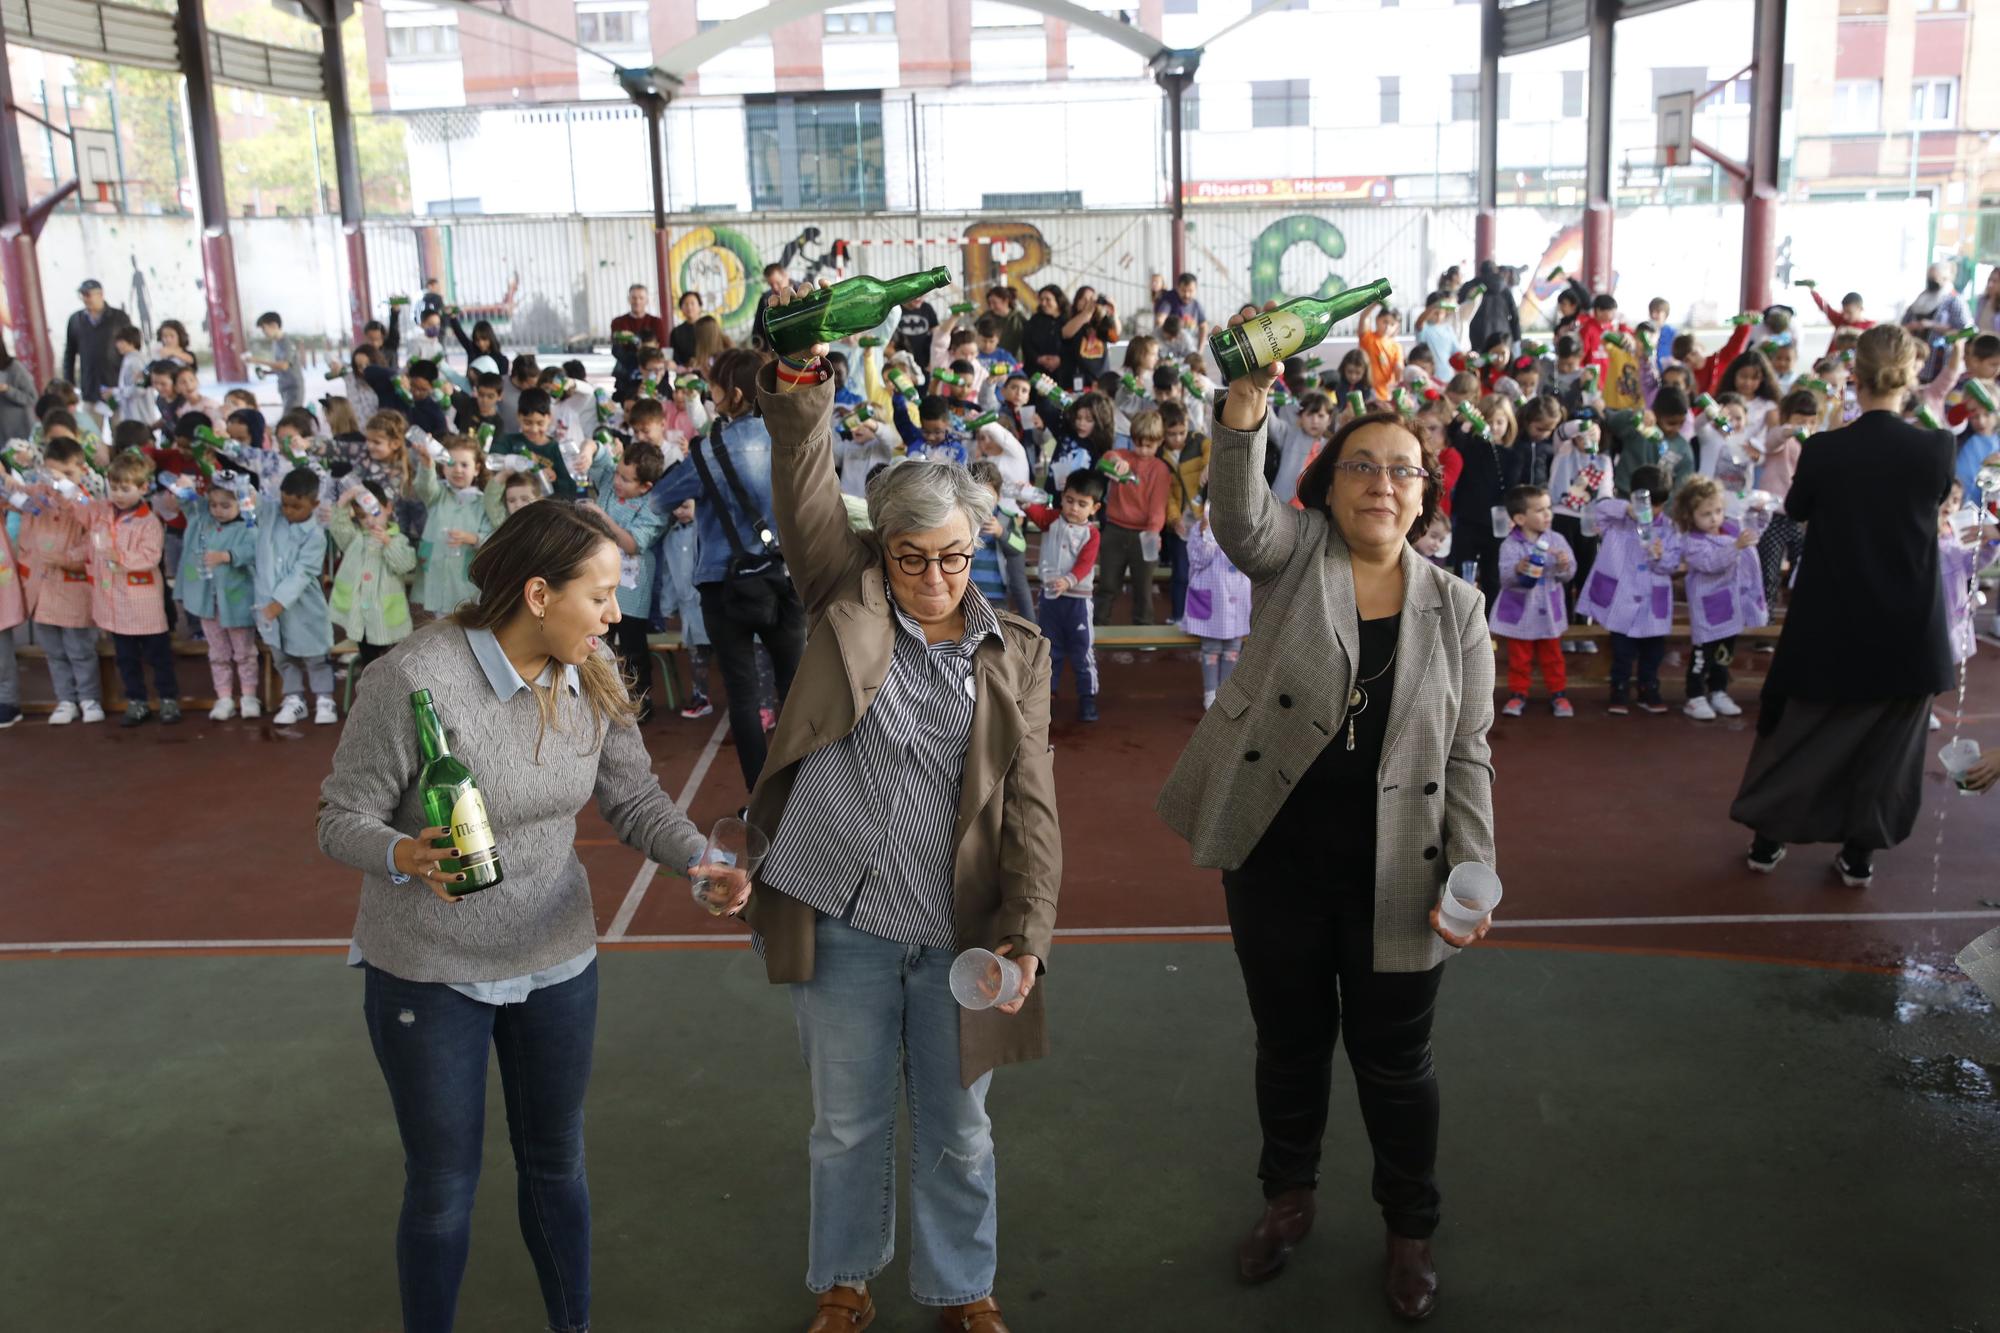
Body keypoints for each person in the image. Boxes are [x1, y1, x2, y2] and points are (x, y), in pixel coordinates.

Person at [1155, 305, 1496, 1323]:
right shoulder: (1293, 553)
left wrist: (1475, 869)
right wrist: (1245, 404)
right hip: (1275, 857)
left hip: (1401, 867)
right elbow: (1235, 515)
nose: (1379, 482)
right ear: (1328, 483)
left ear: (1421, 492)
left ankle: (1408, 1228)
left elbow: (1468, 751)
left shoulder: (1458, 610)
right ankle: (1287, 1198)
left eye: (1398, 467)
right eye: (1359, 466)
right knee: (1288, 1042)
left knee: (1397, 1063)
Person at [317, 501, 729, 1333]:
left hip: (557, 957)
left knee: (555, 1162)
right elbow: (338, 817)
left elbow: (635, 795)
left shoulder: (594, 667)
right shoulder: (413, 679)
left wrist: (699, 859)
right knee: (441, 1185)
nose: (615, 614)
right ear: (539, 593)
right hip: (430, 972)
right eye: (601, 595)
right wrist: (407, 855)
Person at [742, 295, 1060, 1333]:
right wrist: (798, 392)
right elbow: (801, 491)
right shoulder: (844, 596)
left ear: (978, 546)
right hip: (840, 915)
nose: (933, 577)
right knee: (845, 1123)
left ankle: (960, 1285)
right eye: (913, 556)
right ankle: (844, 1275)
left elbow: (1032, 808)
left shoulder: (1016, 651)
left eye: (954, 555)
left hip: (958, 927)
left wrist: (1028, 934)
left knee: (959, 1127)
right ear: (882, 551)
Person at [1732, 324, 1957, 887]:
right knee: (1888, 749)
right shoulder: (1935, 447)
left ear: (1852, 376)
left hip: (1831, 615)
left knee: (1801, 732)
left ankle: (1768, 840)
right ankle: (1860, 854)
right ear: (1911, 376)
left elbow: (1799, 507)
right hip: (1907, 621)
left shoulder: (1827, 449)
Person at [644, 347, 807, 789]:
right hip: (784, 579)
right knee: (795, 688)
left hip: (723, 582)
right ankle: (806, 793)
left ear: (733, 395)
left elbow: (659, 499)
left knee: (742, 692)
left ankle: (761, 797)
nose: (710, 398)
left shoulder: (707, 451)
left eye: (712, 390)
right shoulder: (788, 435)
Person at [84, 451, 178, 725]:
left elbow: (151, 557)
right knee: (126, 660)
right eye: (114, 488)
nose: (118, 494)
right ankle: (136, 701)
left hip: (144, 604)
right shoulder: (102, 515)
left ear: (143, 488)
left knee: (159, 657)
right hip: (116, 606)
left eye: (126, 489)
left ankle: (168, 699)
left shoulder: (149, 521)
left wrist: (121, 558)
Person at [1577, 464, 1675, 715]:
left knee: (1653, 652)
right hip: (1622, 601)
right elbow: (1597, 510)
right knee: (1622, 651)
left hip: (1653, 602)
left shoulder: (1669, 528)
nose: (1652, 511)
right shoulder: (1618, 520)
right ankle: (1618, 689)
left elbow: (1673, 563)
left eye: (1658, 505)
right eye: (1646, 504)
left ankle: (1648, 688)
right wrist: (1628, 508)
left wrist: (1660, 557)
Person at [1671, 476, 1766, 721]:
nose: (1714, 518)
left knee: (1724, 654)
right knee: (1703, 653)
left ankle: (1719, 691)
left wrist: (1759, 512)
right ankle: (1694, 696)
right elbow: (1711, 563)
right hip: (1708, 607)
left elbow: (1756, 531)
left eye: (1718, 511)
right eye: (1706, 514)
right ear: (1689, 516)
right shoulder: (1692, 542)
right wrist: (1735, 547)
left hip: (1731, 605)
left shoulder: (1732, 528)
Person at [592, 438, 670, 724]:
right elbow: (597, 455)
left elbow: (633, 544)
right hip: (598, 585)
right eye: (617, 474)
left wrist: (602, 519)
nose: (617, 482)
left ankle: (641, 700)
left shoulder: (655, 507)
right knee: (598, 644)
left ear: (645, 486)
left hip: (631, 593)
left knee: (633, 648)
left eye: (626, 480)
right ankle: (600, 699)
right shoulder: (610, 482)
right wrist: (592, 447)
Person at [1022, 470, 1106, 723]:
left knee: (1082, 652)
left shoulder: (1092, 533)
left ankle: (1088, 697)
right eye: (1069, 500)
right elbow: (1033, 512)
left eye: (1082, 504)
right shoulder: (1052, 519)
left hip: (1077, 601)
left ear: (1095, 507)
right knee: (1050, 650)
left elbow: (1085, 564)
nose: (1073, 508)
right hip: (1051, 599)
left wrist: (1068, 580)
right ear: (1062, 497)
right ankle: (1049, 696)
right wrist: (1024, 495)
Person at [257, 467, 340, 727]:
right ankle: (294, 699)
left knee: (315, 654)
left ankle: (324, 698)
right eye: (284, 504)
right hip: (269, 605)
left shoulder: (316, 535)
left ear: (315, 504)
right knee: (282, 655)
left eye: (296, 506)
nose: (288, 511)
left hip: (302, 608)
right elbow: (252, 500)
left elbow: (302, 573)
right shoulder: (272, 516)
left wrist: (278, 604)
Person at [176, 481, 261, 720]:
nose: (218, 510)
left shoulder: (248, 527)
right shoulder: (203, 523)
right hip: (208, 603)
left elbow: (255, 549)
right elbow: (188, 504)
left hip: (237, 602)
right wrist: (183, 487)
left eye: (225, 505)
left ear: (240, 503)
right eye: (213, 504)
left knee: (244, 652)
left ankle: (249, 695)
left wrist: (228, 556)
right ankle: (224, 697)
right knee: (218, 651)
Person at [1492, 484, 1576, 718]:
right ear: (1520, 518)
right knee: (1519, 658)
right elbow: (1505, 579)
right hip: (1521, 612)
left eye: (1548, 508)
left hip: (1548, 611)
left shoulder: (1557, 539)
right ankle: (1518, 693)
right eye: (1539, 510)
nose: (1547, 514)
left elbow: (1569, 574)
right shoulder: (1510, 545)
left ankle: (1558, 693)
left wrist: (1563, 565)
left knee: (1553, 657)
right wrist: (1518, 568)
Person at [1178, 468, 1251, 712]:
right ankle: (1210, 692)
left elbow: (1249, 559)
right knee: (1210, 648)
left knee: (1232, 648)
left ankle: (1225, 691)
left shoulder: (1245, 527)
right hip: (1210, 598)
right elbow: (1197, 560)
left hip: (1236, 598)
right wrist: (1205, 533)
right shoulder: (1200, 528)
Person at [1093, 407, 1172, 626]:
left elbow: (1158, 506)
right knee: (1107, 583)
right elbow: (1107, 457)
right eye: (1139, 444)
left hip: (1145, 534)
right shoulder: (1124, 457)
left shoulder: (1160, 469)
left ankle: (1144, 627)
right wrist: (1117, 459)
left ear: (1159, 442)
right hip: (1115, 530)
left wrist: (1154, 531)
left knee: (1143, 587)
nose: (1143, 450)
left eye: (1150, 445)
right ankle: (1098, 625)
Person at [330, 480, 417, 671]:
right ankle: (371, 692)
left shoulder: (398, 539)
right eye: (362, 517)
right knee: (368, 663)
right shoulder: (356, 539)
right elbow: (338, 528)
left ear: (388, 508)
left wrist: (388, 542)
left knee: (392, 663)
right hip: (362, 620)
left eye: (374, 512)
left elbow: (405, 564)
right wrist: (343, 501)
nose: (369, 520)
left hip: (386, 618)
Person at [62, 279, 131, 411]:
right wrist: (69, 384)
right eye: (82, 295)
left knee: (120, 427)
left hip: (115, 386)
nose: (85, 299)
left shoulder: (119, 317)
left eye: (88, 295)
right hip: (90, 387)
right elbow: (69, 354)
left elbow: (131, 348)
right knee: (91, 429)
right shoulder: (76, 320)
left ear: (100, 294)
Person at [1903, 261, 1970, 383]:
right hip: (1914, 359)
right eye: (1929, 277)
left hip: (1939, 361)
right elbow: (1903, 324)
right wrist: (1913, 327)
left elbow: (1966, 331)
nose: (1931, 281)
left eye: (1934, 278)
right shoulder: (1922, 297)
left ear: (1945, 278)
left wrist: (1934, 326)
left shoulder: (1954, 300)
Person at [669, 288, 705, 368]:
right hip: (685, 372)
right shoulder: (677, 332)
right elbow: (675, 356)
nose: (689, 307)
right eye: (685, 304)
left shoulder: (708, 327)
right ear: (681, 309)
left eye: (692, 303)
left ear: (700, 307)